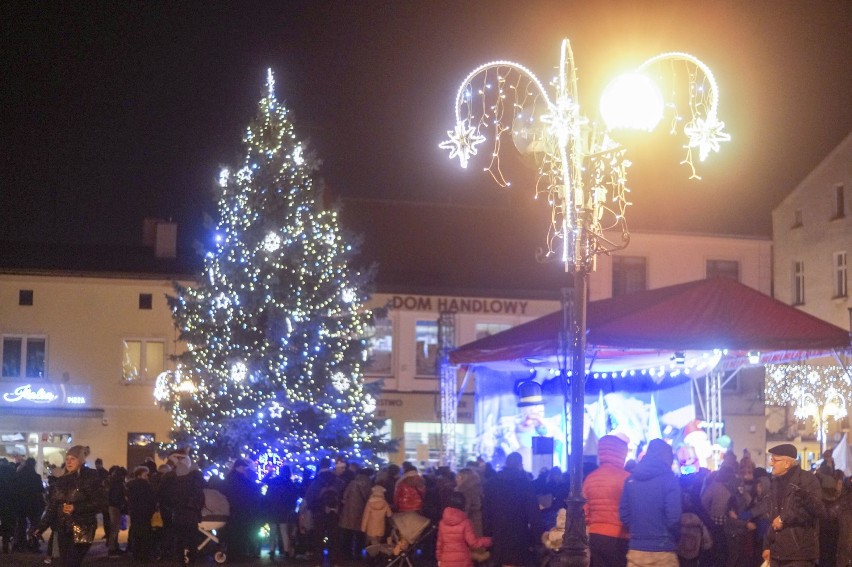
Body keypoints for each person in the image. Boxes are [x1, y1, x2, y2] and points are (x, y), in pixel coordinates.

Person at [34, 445, 105, 567]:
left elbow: (100, 502)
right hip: (63, 528)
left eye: (73, 458)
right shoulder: (62, 480)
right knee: (65, 562)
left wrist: (76, 508)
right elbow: (53, 506)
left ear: (81, 460)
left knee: (72, 562)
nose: (69, 462)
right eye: (67, 459)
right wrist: (41, 527)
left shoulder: (90, 477)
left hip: (83, 527)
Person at [619, 438, 682, 567]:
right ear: (667, 457)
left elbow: (624, 514)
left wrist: (638, 529)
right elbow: (674, 517)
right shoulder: (669, 480)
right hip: (663, 551)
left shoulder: (630, 480)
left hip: (636, 550)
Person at [761, 443, 825, 567]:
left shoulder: (807, 480)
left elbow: (817, 510)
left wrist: (784, 519)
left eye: (774, 460)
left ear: (787, 463)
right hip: (776, 554)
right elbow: (772, 517)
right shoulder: (775, 483)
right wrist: (767, 545)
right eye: (771, 459)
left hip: (799, 555)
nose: (771, 463)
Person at [482, 451, 541, 567]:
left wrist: (487, 534)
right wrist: (537, 537)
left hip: (498, 532)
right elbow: (533, 513)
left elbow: (486, 512)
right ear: (520, 464)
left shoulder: (492, 483)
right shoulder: (525, 484)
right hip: (519, 533)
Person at [583, 434, 630, 567]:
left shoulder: (590, 478)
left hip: (595, 535)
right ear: (621, 453)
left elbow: (584, 511)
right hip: (620, 536)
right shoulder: (626, 478)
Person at [159, 448, 205, 565]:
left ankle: (182, 561)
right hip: (188, 513)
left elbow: (163, 495)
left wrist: (171, 507)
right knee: (189, 540)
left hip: (180, 513)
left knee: (180, 540)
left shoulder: (171, 477)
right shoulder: (194, 476)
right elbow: (200, 493)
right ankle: (189, 561)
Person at [436, 492, 492, 567]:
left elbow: (440, 544)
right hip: (463, 560)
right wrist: (490, 540)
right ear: (462, 505)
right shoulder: (465, 522)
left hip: (446, 560)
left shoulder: (442, 523)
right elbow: (473, 543)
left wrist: (439, 558)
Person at [222, 458, 262, 561]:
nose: (244, 469)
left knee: (234, 532)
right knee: (241, 532)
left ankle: (233, 553)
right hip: (242, 509)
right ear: (239, 467)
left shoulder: (229, 478)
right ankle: (240, 553)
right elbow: (250, 491)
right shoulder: (241, 479)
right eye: (243, 467)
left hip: (231, 509)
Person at [266, 464, 300, 558]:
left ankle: (271, 550)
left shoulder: (274, 481)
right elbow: (294, 495)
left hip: (273, 508)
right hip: (284, 509)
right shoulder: (289, 483)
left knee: (272, 530)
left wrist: (269, 473)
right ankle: (286, 550)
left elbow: (267, 489)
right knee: (283, 530)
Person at [126, 465, 157, 561]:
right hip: (145, 513)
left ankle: (136, 553)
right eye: (146, 475)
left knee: (136, 532)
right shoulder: (146, 486)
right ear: (139, 475)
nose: (147, 477)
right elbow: (152, 499)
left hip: (135, 512)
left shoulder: (130, 486)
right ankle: (144, 555)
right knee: (145, 534)